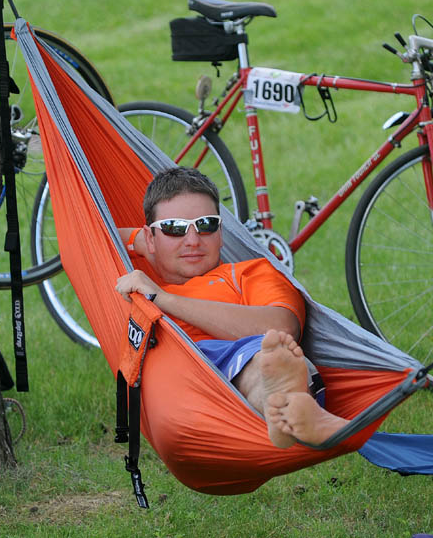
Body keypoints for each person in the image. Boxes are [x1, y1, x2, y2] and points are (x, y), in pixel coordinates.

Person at [115, 167, 346, 448]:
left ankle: (288, 408)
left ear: (221, 233)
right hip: (180, 383)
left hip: (241, 378)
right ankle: (290, 406)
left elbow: (282, 325)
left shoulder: (249, 273)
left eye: (206, 225)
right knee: (262, 361)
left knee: (267, 356)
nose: (192, 240)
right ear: (150, 238)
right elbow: (92, 235)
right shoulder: (130, 285)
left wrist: (163, 299)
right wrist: (147, 246)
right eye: (174, 228)